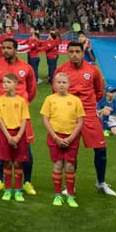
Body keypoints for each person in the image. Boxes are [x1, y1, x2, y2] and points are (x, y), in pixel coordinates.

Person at [54, 39, 116, 196]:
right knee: (70, 150)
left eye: (78, 52)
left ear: (83, 53)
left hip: (88, 113)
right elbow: (55, 91)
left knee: (101, 149)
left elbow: (99, 90)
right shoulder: (61, 70)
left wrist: (89, 106)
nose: (74, 55)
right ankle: (70, 186)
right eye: (71, 52)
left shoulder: (93, 70)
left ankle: (101, 182)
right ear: (67, 53)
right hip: (68, 114)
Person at [0, 37, 38, 195]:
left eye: (9, 48)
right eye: (3, 48)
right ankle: (0, 180)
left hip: (20, 115)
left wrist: (22, 104)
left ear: (16, 49)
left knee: (26, 150)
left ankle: (27, 182)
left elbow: (32, 90)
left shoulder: (26, 68)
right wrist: (0, 103)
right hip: (0, 115)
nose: (5, 50)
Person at [40, 71, 84, 208]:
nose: (61, 85)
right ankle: (57, 194)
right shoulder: (50, 99)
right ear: (54, 84)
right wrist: (55, 137)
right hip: (55, 137)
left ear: (69, 84)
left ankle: (70, 195)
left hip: (71, 138)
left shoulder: (76, 100)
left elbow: (80, 121)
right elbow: (46, 119)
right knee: (58, 165)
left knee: (70, 165)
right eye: (59, 82)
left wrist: (71, 137)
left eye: (64, 82)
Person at [0, 73, 30, 202]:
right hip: (5, 135)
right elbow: (0, 119)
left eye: (8, 82)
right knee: (7, 162)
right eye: (3, 82)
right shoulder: (0, 101)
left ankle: (18, 191)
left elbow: (25, 119)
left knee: (18, 163)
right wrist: (8, 136)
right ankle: (8, 190)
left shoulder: (21, 101)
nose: (5, 85)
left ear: (15, 84)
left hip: (19, 134)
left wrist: (18, 136)